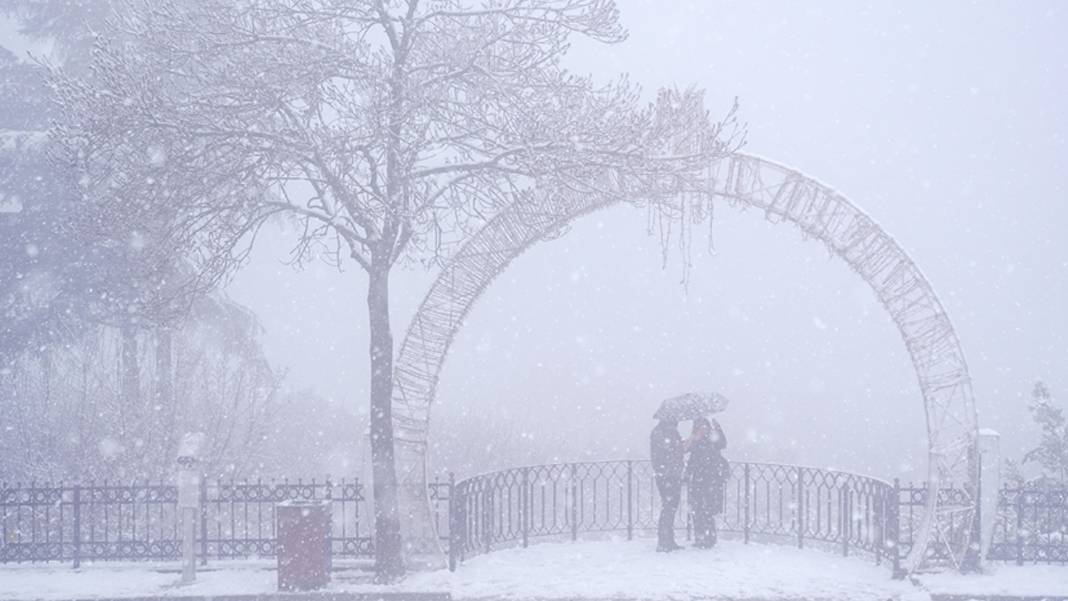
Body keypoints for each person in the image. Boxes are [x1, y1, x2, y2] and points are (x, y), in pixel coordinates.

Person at [685, 416, 729, 549]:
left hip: (710, 480)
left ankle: (709, 538)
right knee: (698, 510)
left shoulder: (713, 439)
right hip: (699, 479)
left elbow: (723, 443)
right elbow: (687, 452)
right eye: (700, 427)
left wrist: (718, 428)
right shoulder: (695, 441)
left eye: (704, 427)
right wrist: (693, 438)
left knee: (708, 510)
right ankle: (700, 538)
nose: (703, 429)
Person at [650, 418, 685, 552]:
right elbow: (671, 451)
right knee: (669, 506)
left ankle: (667, 540)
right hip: (668, 475)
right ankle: (665, 541)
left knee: (669, 507)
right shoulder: (664, 432)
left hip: (667, 474)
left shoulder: (661, 431)